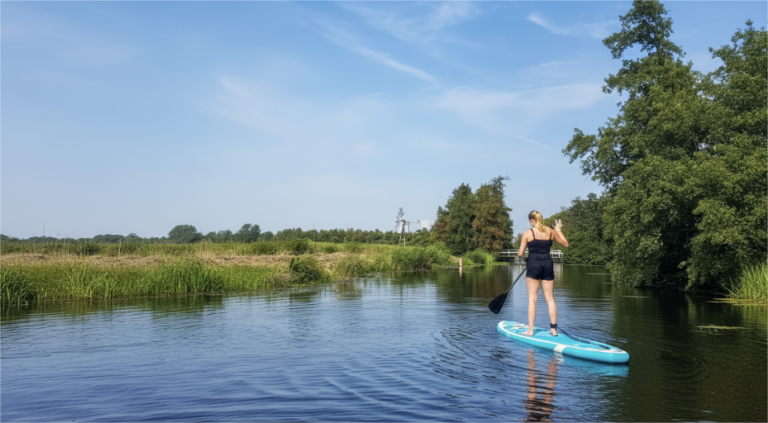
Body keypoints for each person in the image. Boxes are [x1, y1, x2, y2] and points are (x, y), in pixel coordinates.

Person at [517, 210, 569, 336]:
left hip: (533, 263)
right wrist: (558, 230)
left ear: (531, 220)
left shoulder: (528, 233)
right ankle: (554, 329)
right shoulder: (551, 232)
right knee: (550, 299)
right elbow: (566, 244)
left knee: (532, 299)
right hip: (547, 262)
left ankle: (530, 331)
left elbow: (520, 254)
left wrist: (527, 260)